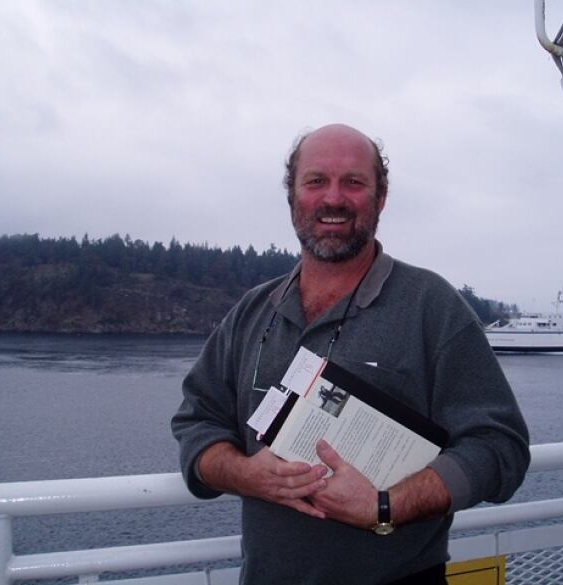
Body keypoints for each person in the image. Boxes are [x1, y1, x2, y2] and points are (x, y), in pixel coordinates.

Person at [171, 123, 530, 584]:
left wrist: (387, 505)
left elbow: (500, 447)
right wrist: (244, 474)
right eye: (316, 181)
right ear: (292, 197)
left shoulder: (431, 306)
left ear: (380, 200)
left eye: (354, 182)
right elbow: (196, 420)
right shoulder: (252, 312)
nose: (334, 198)